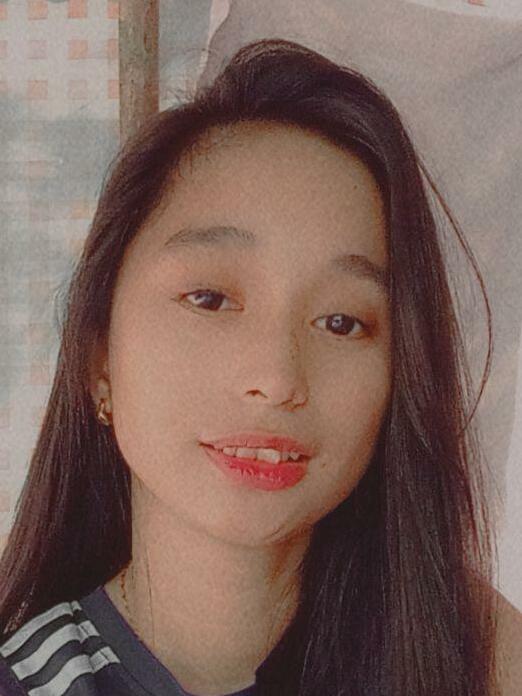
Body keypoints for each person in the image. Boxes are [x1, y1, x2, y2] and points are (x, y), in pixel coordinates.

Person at [0, 37, 519, 696]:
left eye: (341, 322)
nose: (277, 380)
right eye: (210, 299)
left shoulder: (478, 662)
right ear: (99, 356)